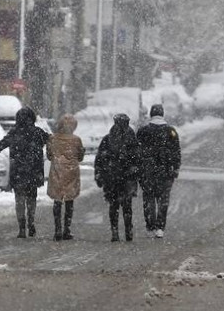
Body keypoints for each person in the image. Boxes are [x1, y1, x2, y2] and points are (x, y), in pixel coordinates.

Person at [0, 107, 49, 238]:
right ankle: (31, 222)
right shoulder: (38, 133)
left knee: (19, 199)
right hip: (34, 171)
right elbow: (53, 142)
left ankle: (21, 228)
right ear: (33, 118)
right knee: (32, 199)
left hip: (18, 171)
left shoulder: (14, 133)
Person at [137, 104, 181, 238]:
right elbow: (176, 152)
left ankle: (150, 225)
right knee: (163, 199)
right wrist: (175, 168)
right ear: (162, 114)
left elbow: (136, 152)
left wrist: (138, 168)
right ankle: (160, 227)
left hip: (147, 171)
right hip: (165, 171)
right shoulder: (171, 131)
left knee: (149, 198)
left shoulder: (143, 131)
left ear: (151, 114)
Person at [94, 114, 141, 242]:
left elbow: (99, 159)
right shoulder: (132, 139)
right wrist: (136, 172)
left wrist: (99, 174)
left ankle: (115, 230)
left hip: (111, 177)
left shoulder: (108, 139)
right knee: (127, 206)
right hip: (127, 178)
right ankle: (128, 230)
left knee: (113, 206)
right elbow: (138, 159)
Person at [46, 114, 85, 241]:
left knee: (57, 200)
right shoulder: (76, 140)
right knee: (69, 200)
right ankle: (67, 229)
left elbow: (49, 155)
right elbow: (80, 157)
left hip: (57, 171)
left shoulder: (52, 139)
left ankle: (57, 229)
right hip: (71, 172)